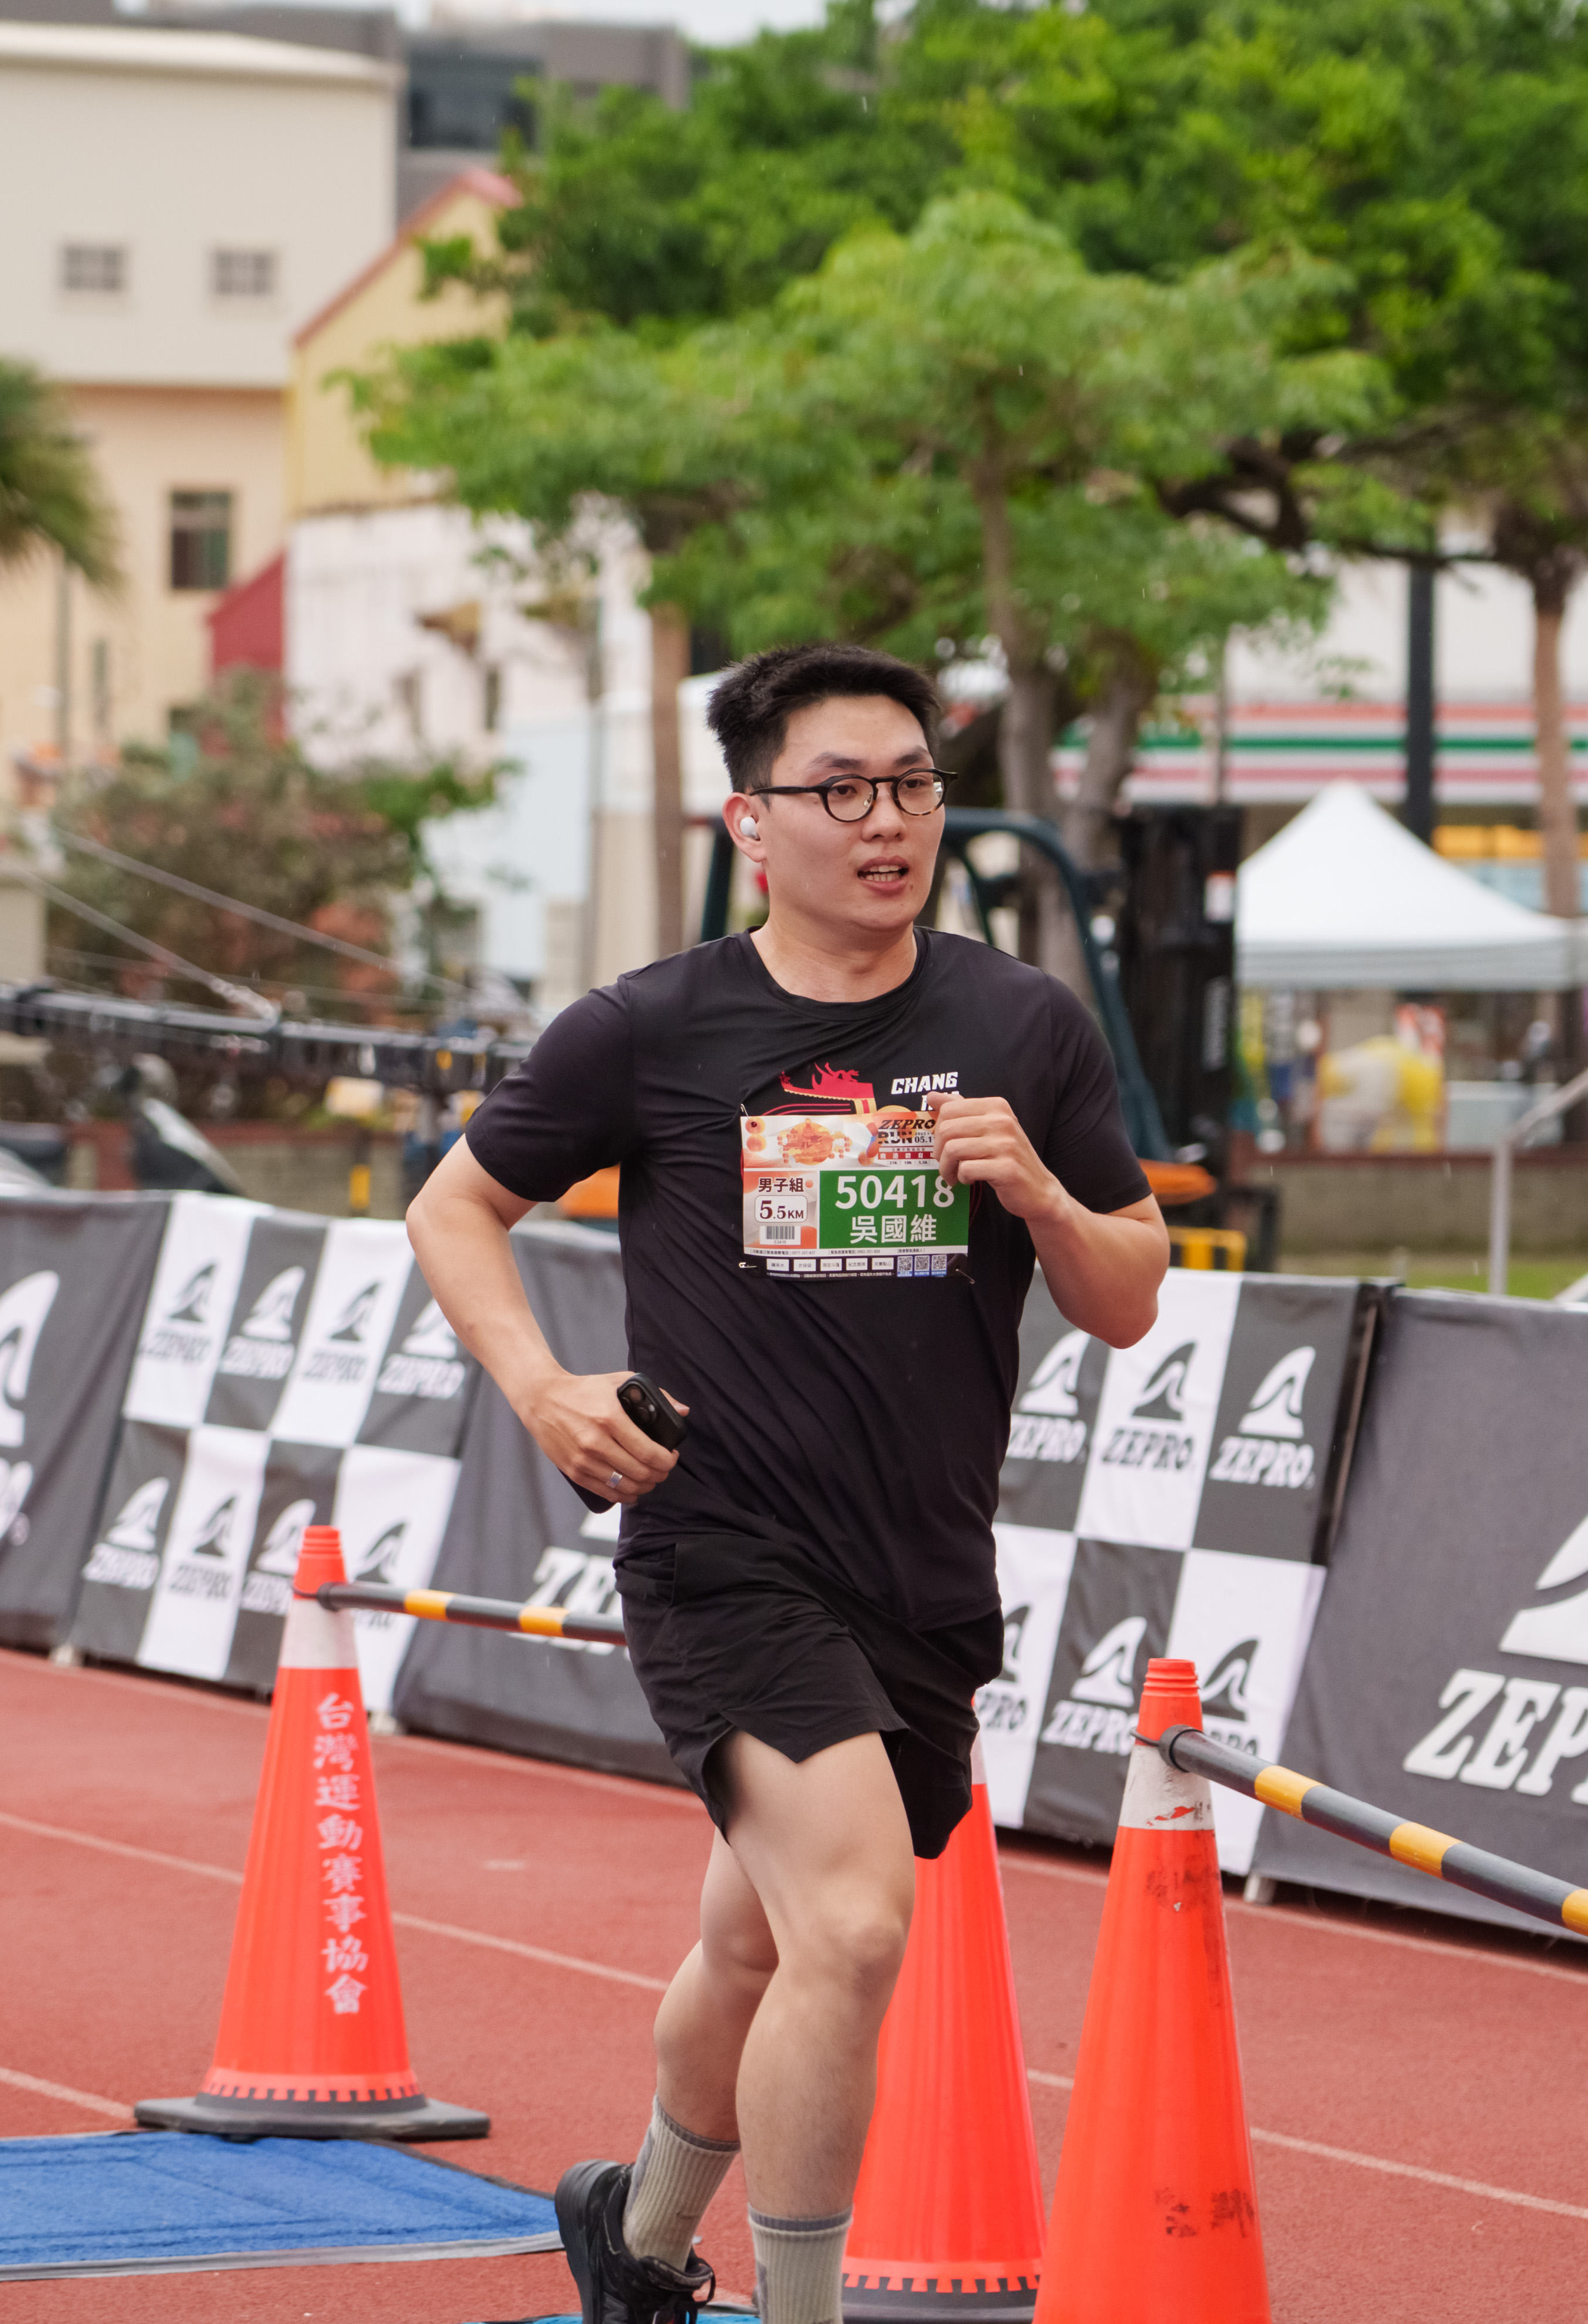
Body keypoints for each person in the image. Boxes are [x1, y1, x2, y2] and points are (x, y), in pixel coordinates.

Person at [403, 642, 1167, 2324]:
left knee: (756, 1944)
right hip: (724, 1552)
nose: (886, 822)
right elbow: (452, 1206)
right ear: (752, 821)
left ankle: (637, 2239)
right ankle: (801, 2311)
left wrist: (1043, 1195)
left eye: (912, 785)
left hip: (923, 1569)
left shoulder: (1020, 1022)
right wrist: (545, 1386)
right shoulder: (652, 1027)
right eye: (840, 791)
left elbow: (1129, 1294)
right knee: (856, 1929)